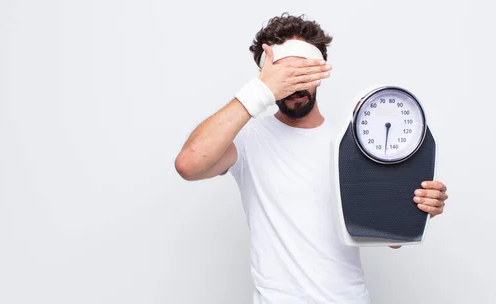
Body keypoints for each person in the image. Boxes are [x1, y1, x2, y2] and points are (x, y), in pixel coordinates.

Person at [174, 13, 449, 304]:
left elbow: (390, 237)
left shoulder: (352, 141)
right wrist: (259, 91)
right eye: (285, 74)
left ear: (319, 72)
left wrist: (418, 208)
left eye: (303, 72)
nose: (295, 85)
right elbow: (189, 164)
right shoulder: (249, 138)